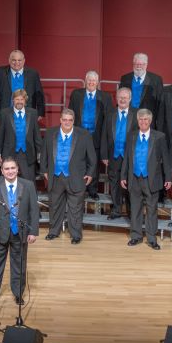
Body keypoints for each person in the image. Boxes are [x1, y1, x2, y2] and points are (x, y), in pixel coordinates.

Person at [0, 157, 40, 305]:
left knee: (19, 265)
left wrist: (33, 231)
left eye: (13, 168)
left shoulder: (28, 185)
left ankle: (18, 293)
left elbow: (34, 210)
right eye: (7, 169)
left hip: (20, 232)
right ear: (2, 171)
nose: (10, 171)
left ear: (17, 169)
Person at [40, 109, 96, 244]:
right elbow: (44, 155)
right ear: (60, 120)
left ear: (73, 121)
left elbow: (92, 158)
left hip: (76, 178)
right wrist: (44, 170)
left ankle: (76, 235)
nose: (67, 122)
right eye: (64, 119)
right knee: (55, 206)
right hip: (55, 177)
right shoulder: (50, 133)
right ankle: (54, 231)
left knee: (75, 208)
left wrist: (89, 173)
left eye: (70, 120)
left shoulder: (84, 135)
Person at [120, 109, 172, 250]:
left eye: (146, 120)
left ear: (150, 121)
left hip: (152, 180)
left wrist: (168, 177)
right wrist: (123, 175)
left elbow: (166, 159)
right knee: (135, 209)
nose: (143, 122)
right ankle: (136, 236)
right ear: (138, 121)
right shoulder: (131, 136)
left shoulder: (159, 137)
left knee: (151, 210)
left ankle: (151, 238)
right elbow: (127, 158)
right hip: (134, 178)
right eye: (140, 119)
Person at [69, 70, 113, 199]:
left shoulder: (105, 96)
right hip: (79, 135)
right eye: (89, 80)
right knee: (78, 162)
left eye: (94, 81)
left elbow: (108, 119)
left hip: (96, 136)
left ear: (97, 82)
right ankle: (79, 188)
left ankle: (93, 190)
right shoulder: (77, 94)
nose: (91, 83)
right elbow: (70, 113)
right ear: (85, 81)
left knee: (94, 164)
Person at [101, 88, 138, 219]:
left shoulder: (136, 114)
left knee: (130, 184)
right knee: (115, 184)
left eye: (125, 97)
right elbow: (104, 134)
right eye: (120, 97)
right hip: (113, 155)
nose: (122, 100)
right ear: (116, 98)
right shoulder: (110, 113)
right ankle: (116, 210)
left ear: (130, 99)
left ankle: (130, 212)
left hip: (130, 157)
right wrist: (104, 154)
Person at [0, 89, 42, 181]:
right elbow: (0, 135)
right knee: (8, 183)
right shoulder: (5, 113)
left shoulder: (33, 113)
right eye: (17, 99)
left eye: (22, 99)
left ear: (25, 101)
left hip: (27, 153)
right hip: (9, 153)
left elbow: (37, 135)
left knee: (30, 184)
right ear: (13, 100)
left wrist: (40, 152)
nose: (19, 102)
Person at [0, 50, 45, 122]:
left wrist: (40, 112)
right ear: (9, 60)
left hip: (27, 114)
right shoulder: (0, 72)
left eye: (19, 60)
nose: (17, 63)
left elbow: (39, 94)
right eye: (14, 60)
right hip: (5, 114)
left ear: (24, 61)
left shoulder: (33, 73)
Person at [119, 52, 163, 122]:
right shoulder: (125, 78)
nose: (138, 66)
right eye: (136, 64)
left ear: (146, 65)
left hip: (147, 120)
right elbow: (120, 99)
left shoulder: (156, 80)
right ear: (133, 64)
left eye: (141, 64)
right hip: (128, 118)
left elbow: (159, 103)